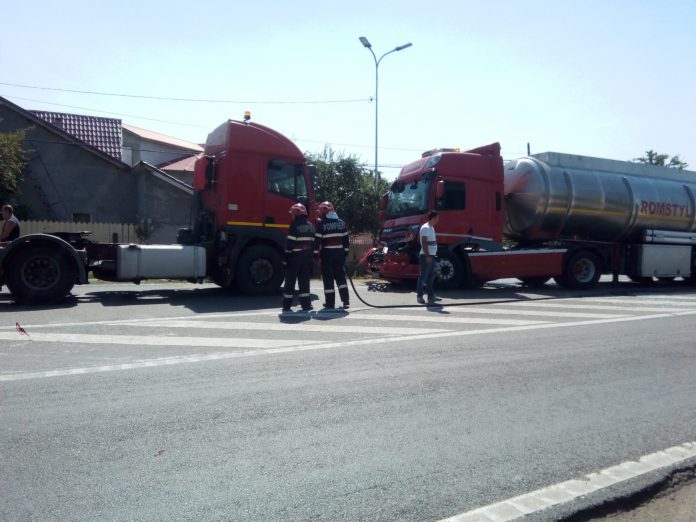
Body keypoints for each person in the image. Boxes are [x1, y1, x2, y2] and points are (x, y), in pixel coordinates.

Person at [314, 201, 350, 309]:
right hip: (339, 253)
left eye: (321, 210)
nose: (320, 212)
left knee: (328, 278)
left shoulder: (322, 224)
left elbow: (317, 241)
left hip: (327, 254)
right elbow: (346, 241)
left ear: (325, 210)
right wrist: (345, 253)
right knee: (341, 278)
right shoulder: (342, 223)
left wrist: (315, 255)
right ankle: (345, 301)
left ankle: (330, 303)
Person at [282, 202, 315, 312]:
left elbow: (290, 243)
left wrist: (285, 258)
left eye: (293, 213)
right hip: (307, 257)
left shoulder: (294, 225)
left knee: (290, 281)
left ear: (297, 213)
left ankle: (286, 305)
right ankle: (306, 305)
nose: (292, 215)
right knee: (304, 282)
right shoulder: (310, 225)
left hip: (295, 256)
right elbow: (313, 243)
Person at [417, 210, 441, 305]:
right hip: (426, 256)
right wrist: (427, 255)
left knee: (431, 277)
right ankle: (419, 296)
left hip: (432, 255)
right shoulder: (425, 228)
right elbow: (424, 242)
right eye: (437, 217)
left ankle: (431, 295)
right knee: (423, 276)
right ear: (433, 218)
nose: (438, 220)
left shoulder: (431, 227)